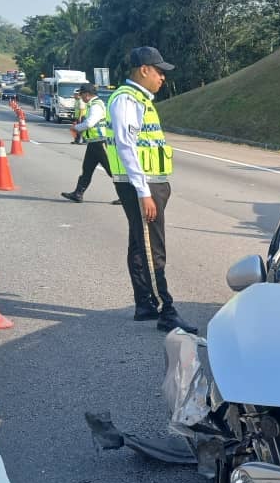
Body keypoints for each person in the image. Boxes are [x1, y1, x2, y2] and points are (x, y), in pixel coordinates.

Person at [104, 46, 197, 333]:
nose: (162, 78)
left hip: (149, 183)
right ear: (144, 70)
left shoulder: (139, 99)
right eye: (158, 72)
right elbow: (126, 145)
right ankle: (166, 310)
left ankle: (144, 304)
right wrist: (143, 191)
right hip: (142, 186)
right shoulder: (127, 100)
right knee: (152, 247)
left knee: (139, 243)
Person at [61, 83, 111, 203]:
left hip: (100, 142)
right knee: (87, 169)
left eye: (82, 94)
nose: (80, 96)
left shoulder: (96, 106)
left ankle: (127, 195)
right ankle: (78, 193)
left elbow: (89, 123)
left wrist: (76, 128)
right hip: (94, 143)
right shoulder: (92, 104)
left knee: (112, 170)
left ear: (87, 95)